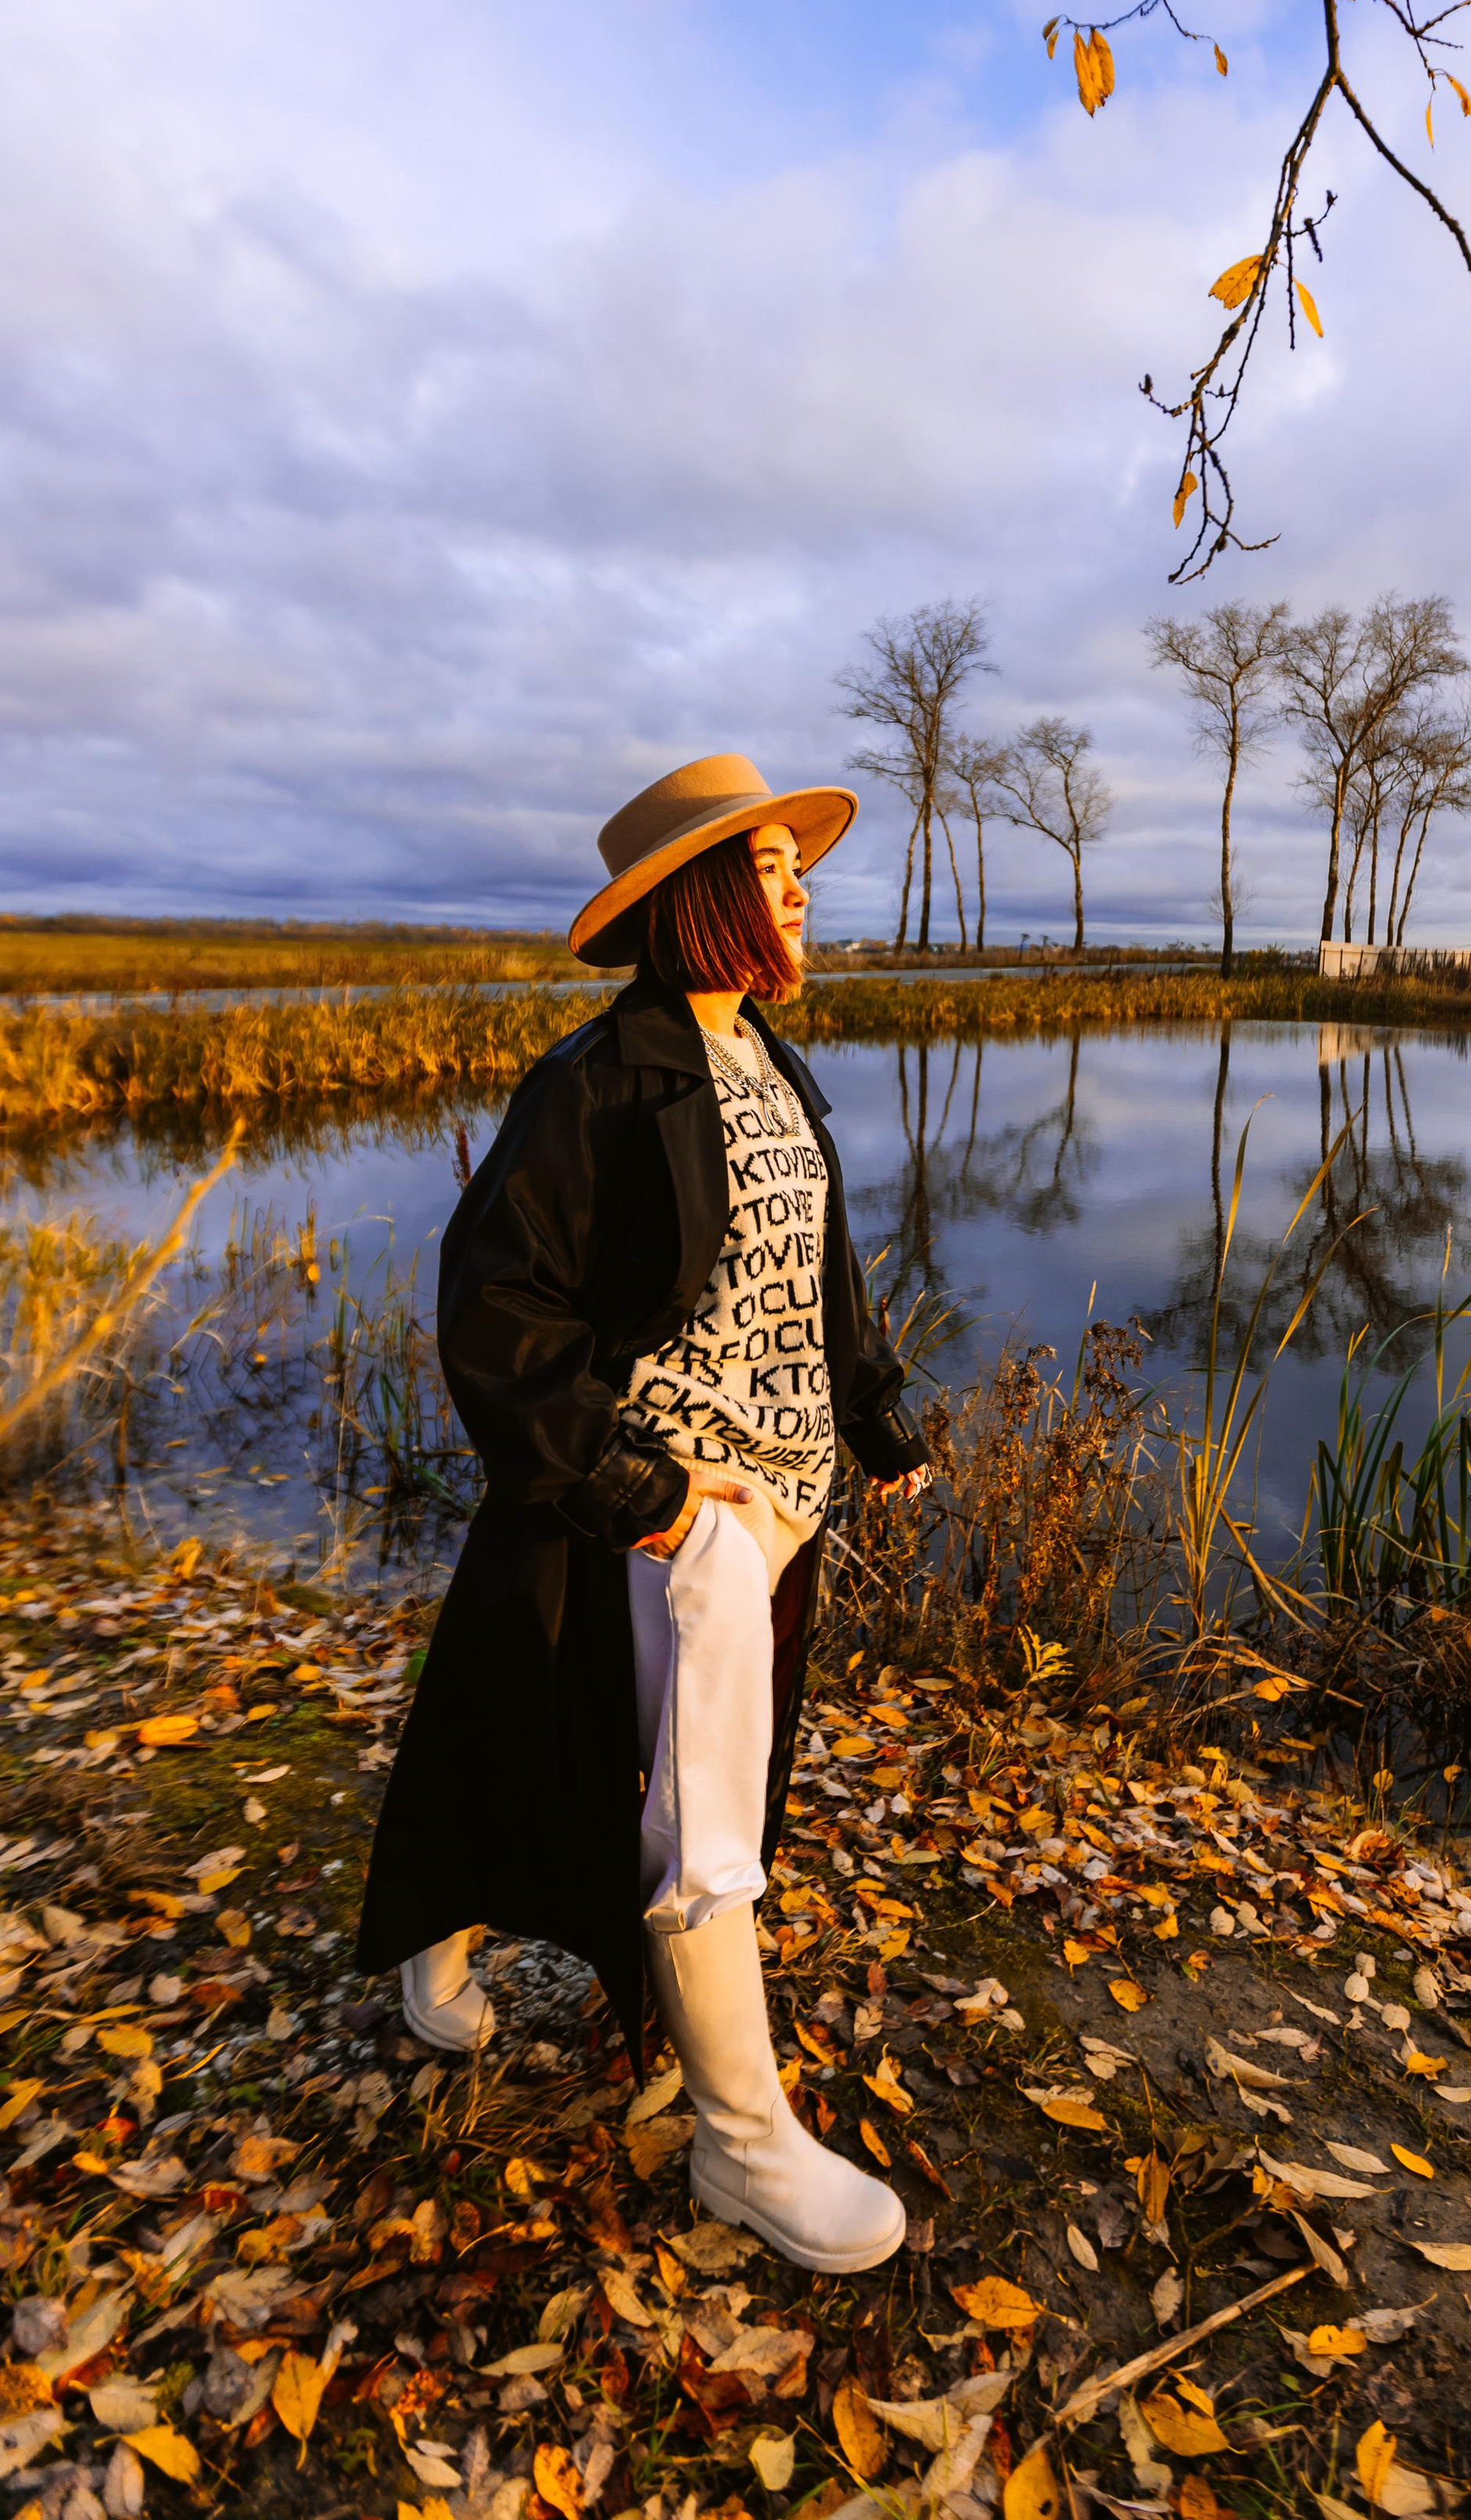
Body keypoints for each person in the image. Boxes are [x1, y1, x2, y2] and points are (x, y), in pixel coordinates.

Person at [356, 753, 932, 2274]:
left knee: (556, 1755)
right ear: (701, 903)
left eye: (798, 866)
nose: (802, 884)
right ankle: (744, 2148)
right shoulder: (594, 1083)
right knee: (699, 1814)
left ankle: (460, 1941)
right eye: (770, 865)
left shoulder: (773, 1070)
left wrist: (876, 1424)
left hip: (781, 1501)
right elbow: (494, 1314)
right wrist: (644, 1493)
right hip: (674, 1516)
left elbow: (821, 1275)